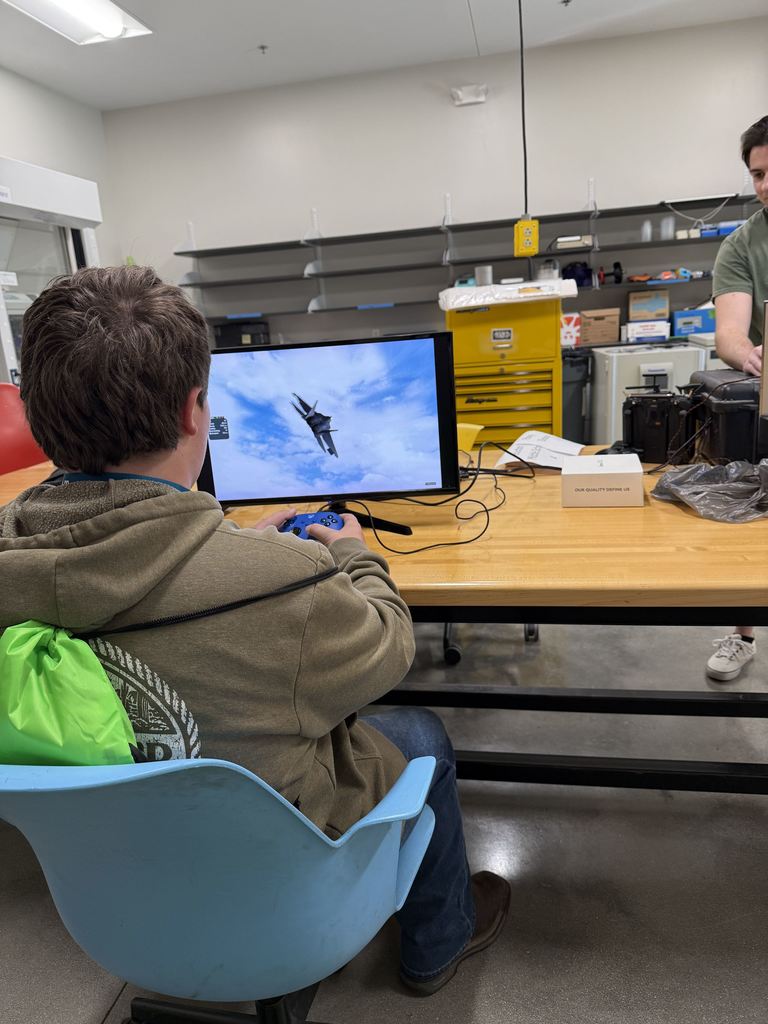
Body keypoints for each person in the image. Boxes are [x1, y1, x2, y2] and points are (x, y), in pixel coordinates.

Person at [0, 266, 509, 995]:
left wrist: (229, 540)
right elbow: (391, 645)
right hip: (285, 891)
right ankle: (437, 943)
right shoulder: (287, 581)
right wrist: (353, 553)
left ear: (40, 416)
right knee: (421, 734)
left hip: (115, 903)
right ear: (193, 411)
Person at [706, 113, 768, 681]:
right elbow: (729, 329)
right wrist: (747, 354)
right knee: (747, 508)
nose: (766, 184)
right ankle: (742, 632)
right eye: (758, 174)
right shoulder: (742, 244)